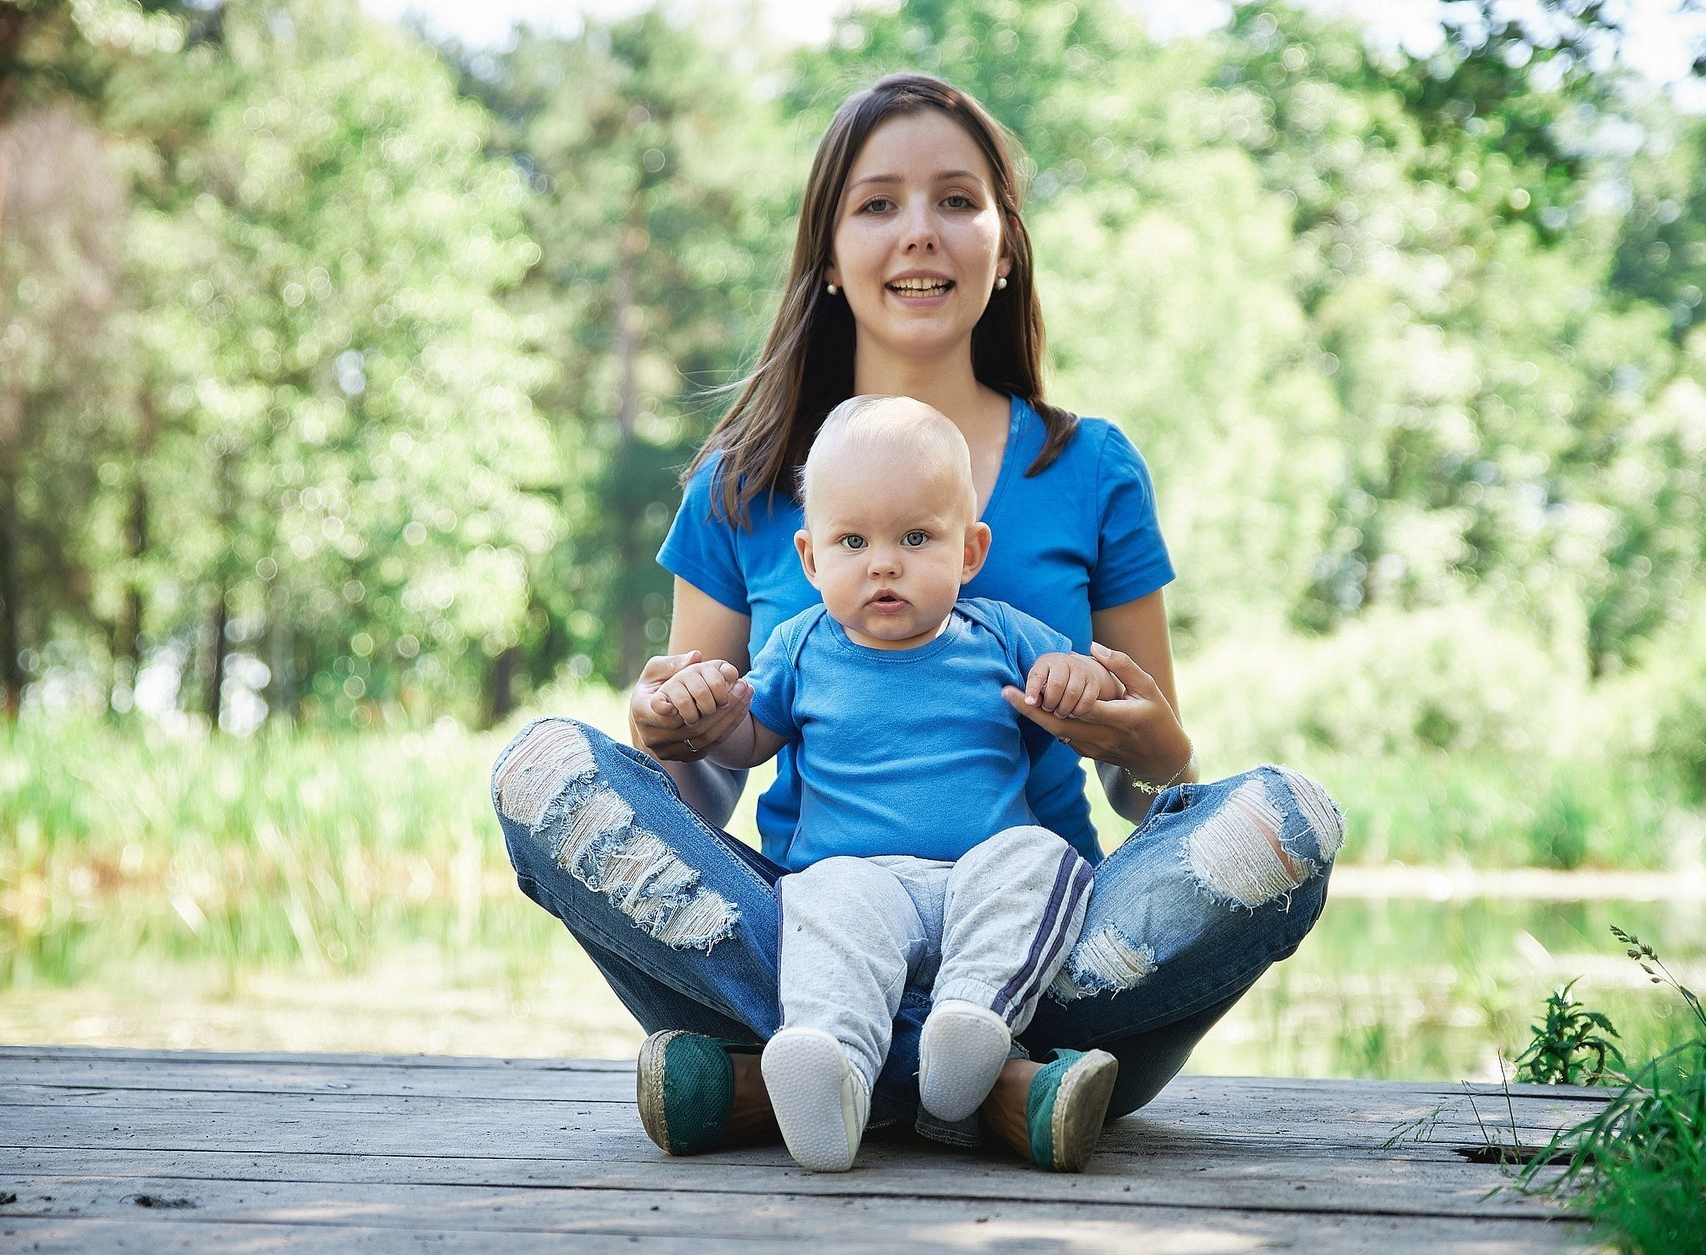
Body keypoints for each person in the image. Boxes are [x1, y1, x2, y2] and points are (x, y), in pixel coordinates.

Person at [490, 71, 1342, 1173]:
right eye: (878, 203)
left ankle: (791, 1080)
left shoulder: (1089, 468)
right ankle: (994, 1088)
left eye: (956, 199)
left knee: (1286, 821)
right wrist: (670, 734)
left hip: (1045, 934)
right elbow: (703, 789)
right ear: (827, 253)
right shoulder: (741, 483)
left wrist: (1152, 749)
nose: (919, 232)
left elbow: (1149, 795)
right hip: (819, 926)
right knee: (545, 773)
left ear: (1005, 242)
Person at [658, 394, 1124, 1172]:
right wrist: (706, 712)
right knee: (825, 903)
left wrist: (1078, 678)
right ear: (811, 559)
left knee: (1041, 859)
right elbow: (746, 740)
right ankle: (830, 1067)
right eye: (853, 541)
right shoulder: (800, 646)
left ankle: (971, 1023)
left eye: (915, 538)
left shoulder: (1001, 633)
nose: (883, 563)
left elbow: (1093, 694)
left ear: (969, 551)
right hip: (858, 880)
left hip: (980, 884)